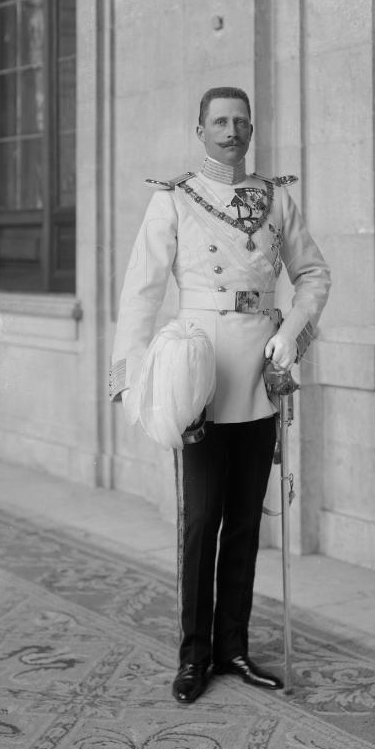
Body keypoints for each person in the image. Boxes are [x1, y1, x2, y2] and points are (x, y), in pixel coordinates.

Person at [109, 86, 331, 704]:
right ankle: (194, 655)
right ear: (200, 129)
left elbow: (312, 274)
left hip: (261, 371)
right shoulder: (173, 200)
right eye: (219, 122)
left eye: (241, 122)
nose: (231, 132)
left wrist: (291, 332)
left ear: (252, 129)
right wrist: (128, 377)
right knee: (201, 519)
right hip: (201, 372)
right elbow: (141, 292)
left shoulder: (275, 197)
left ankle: (234, 646)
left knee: (243, 523)